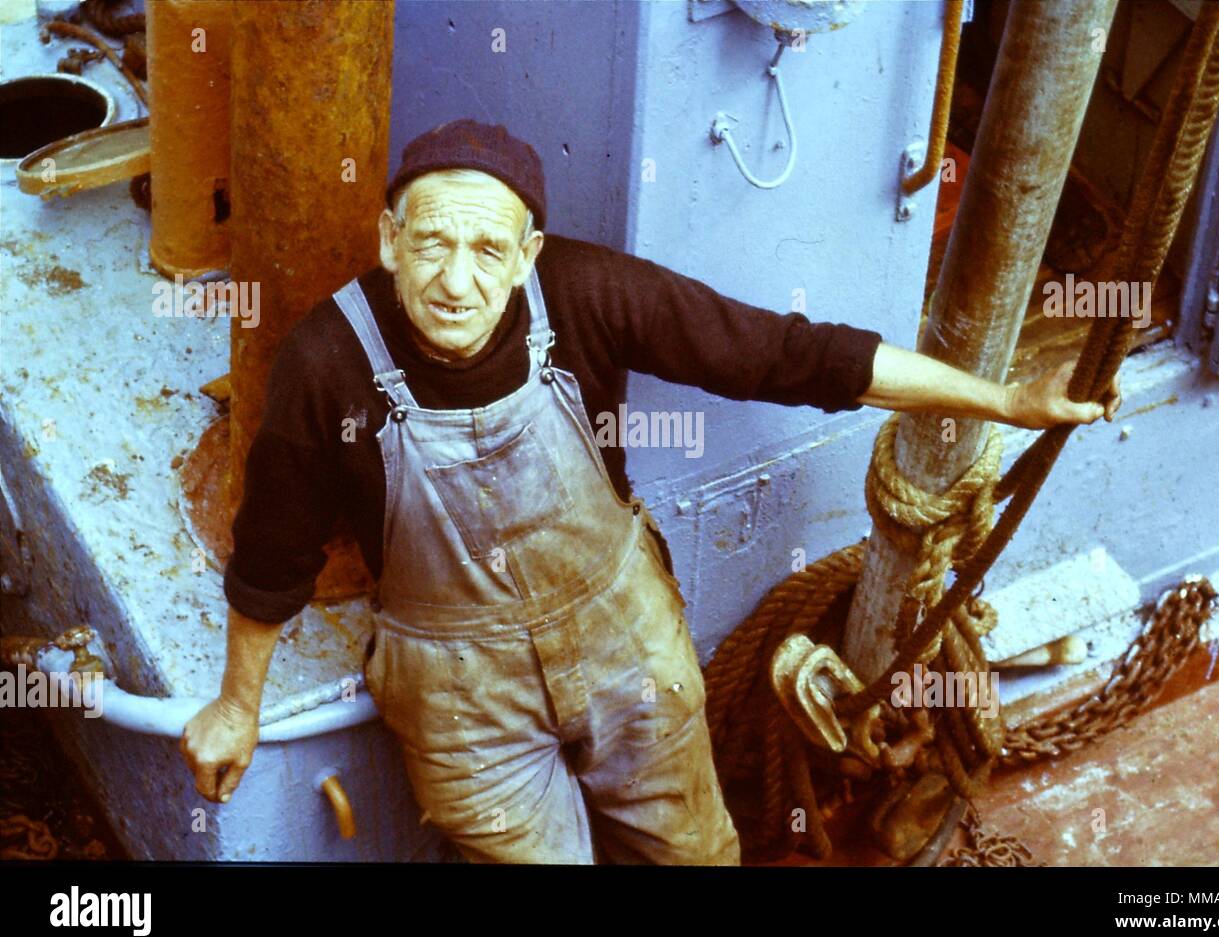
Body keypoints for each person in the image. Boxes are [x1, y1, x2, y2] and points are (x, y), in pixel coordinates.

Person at [180, 119, 1121, 864]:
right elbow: (273, 558)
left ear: (527, 253)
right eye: (429, 244)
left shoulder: (586, 292)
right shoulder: (326, 358)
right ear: (389, 240)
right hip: (457, 690)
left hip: (623, 640)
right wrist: (237, 706)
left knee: (697, 854)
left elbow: (788, 356)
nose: (455, 280)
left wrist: (1001, 399)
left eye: (485, 249)